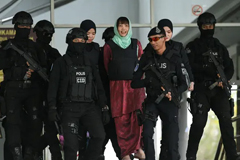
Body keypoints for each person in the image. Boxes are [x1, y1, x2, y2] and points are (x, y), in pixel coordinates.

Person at [185, 12, 239, 160]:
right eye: (205, 26)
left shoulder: (219, 47)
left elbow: (229, 67)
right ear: (200, 27)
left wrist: (225, 79)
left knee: (226, 122)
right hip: (201, 89)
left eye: (210, 26)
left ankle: (232, 156)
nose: (208, 28)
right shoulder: (193, 47)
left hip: (219, 90)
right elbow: (188, 66)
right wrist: (205, 69)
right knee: (199, 123)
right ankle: (190, 157)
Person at [47, 28, 107, 160]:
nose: (79, 43)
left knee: (99, 136)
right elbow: (53, 88)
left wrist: (104, 107)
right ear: (69, 42)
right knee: (71, 146)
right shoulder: (60, 63)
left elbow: (99, 87)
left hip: (89, 108)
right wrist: (52, 108)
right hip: (69, 108)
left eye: (82, 40)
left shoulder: (90, 63)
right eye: (76, 40)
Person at [131, 26, 187, 160]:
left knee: (172, 140)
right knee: (147, 134)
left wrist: (174, 93)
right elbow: (134, 82)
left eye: (156, 39)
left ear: (164, 39)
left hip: (169, 102)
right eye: (150, 40)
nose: (153, 42)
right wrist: (150, 82)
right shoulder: (147, 57)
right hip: (152, 101)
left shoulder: (174, 58)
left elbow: (184, 83)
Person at [0, 11, 46, 160]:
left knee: (34, 124)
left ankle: (29, 154)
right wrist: (19, 67)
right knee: (12, 126)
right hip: (13, 90)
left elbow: (43, 68)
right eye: (22, 25)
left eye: (27, 26)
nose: (25, 28)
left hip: (32, 91)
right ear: (15, 26)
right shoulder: (6, 46)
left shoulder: (35, 47)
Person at [103, 17, 145, 160]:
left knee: (136, 118)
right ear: (116, 27)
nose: (123, 29)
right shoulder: (109, 46)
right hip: (118, 88)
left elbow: (143, 63)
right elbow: (107, 67)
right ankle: (125, 153)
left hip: (135, 87)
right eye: (120, 26)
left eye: (126, 26)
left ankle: (138, 149)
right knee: (121, 120)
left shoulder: (136, 44)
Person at [33, 19, 63, 160]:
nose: (48, 36)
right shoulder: (31, 50)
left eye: (50, 34)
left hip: (49, 96)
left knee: (51, 131)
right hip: (33, 96)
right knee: (34, 132)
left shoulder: (53, 53)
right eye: (46, 33)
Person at [144, 19, 194, 91]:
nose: (166, 34)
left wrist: (191, 80)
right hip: (156, 83)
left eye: (169, 32)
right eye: (164, 32)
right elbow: (143, 61)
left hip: (175, 83)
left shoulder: (178, 46)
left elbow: (186, 64)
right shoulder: (151, 45)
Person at [99, 27, 122, 160]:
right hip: (106, 104)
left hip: (117, 105)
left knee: (118, 143)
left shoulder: (121, 57)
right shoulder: (101, 55)